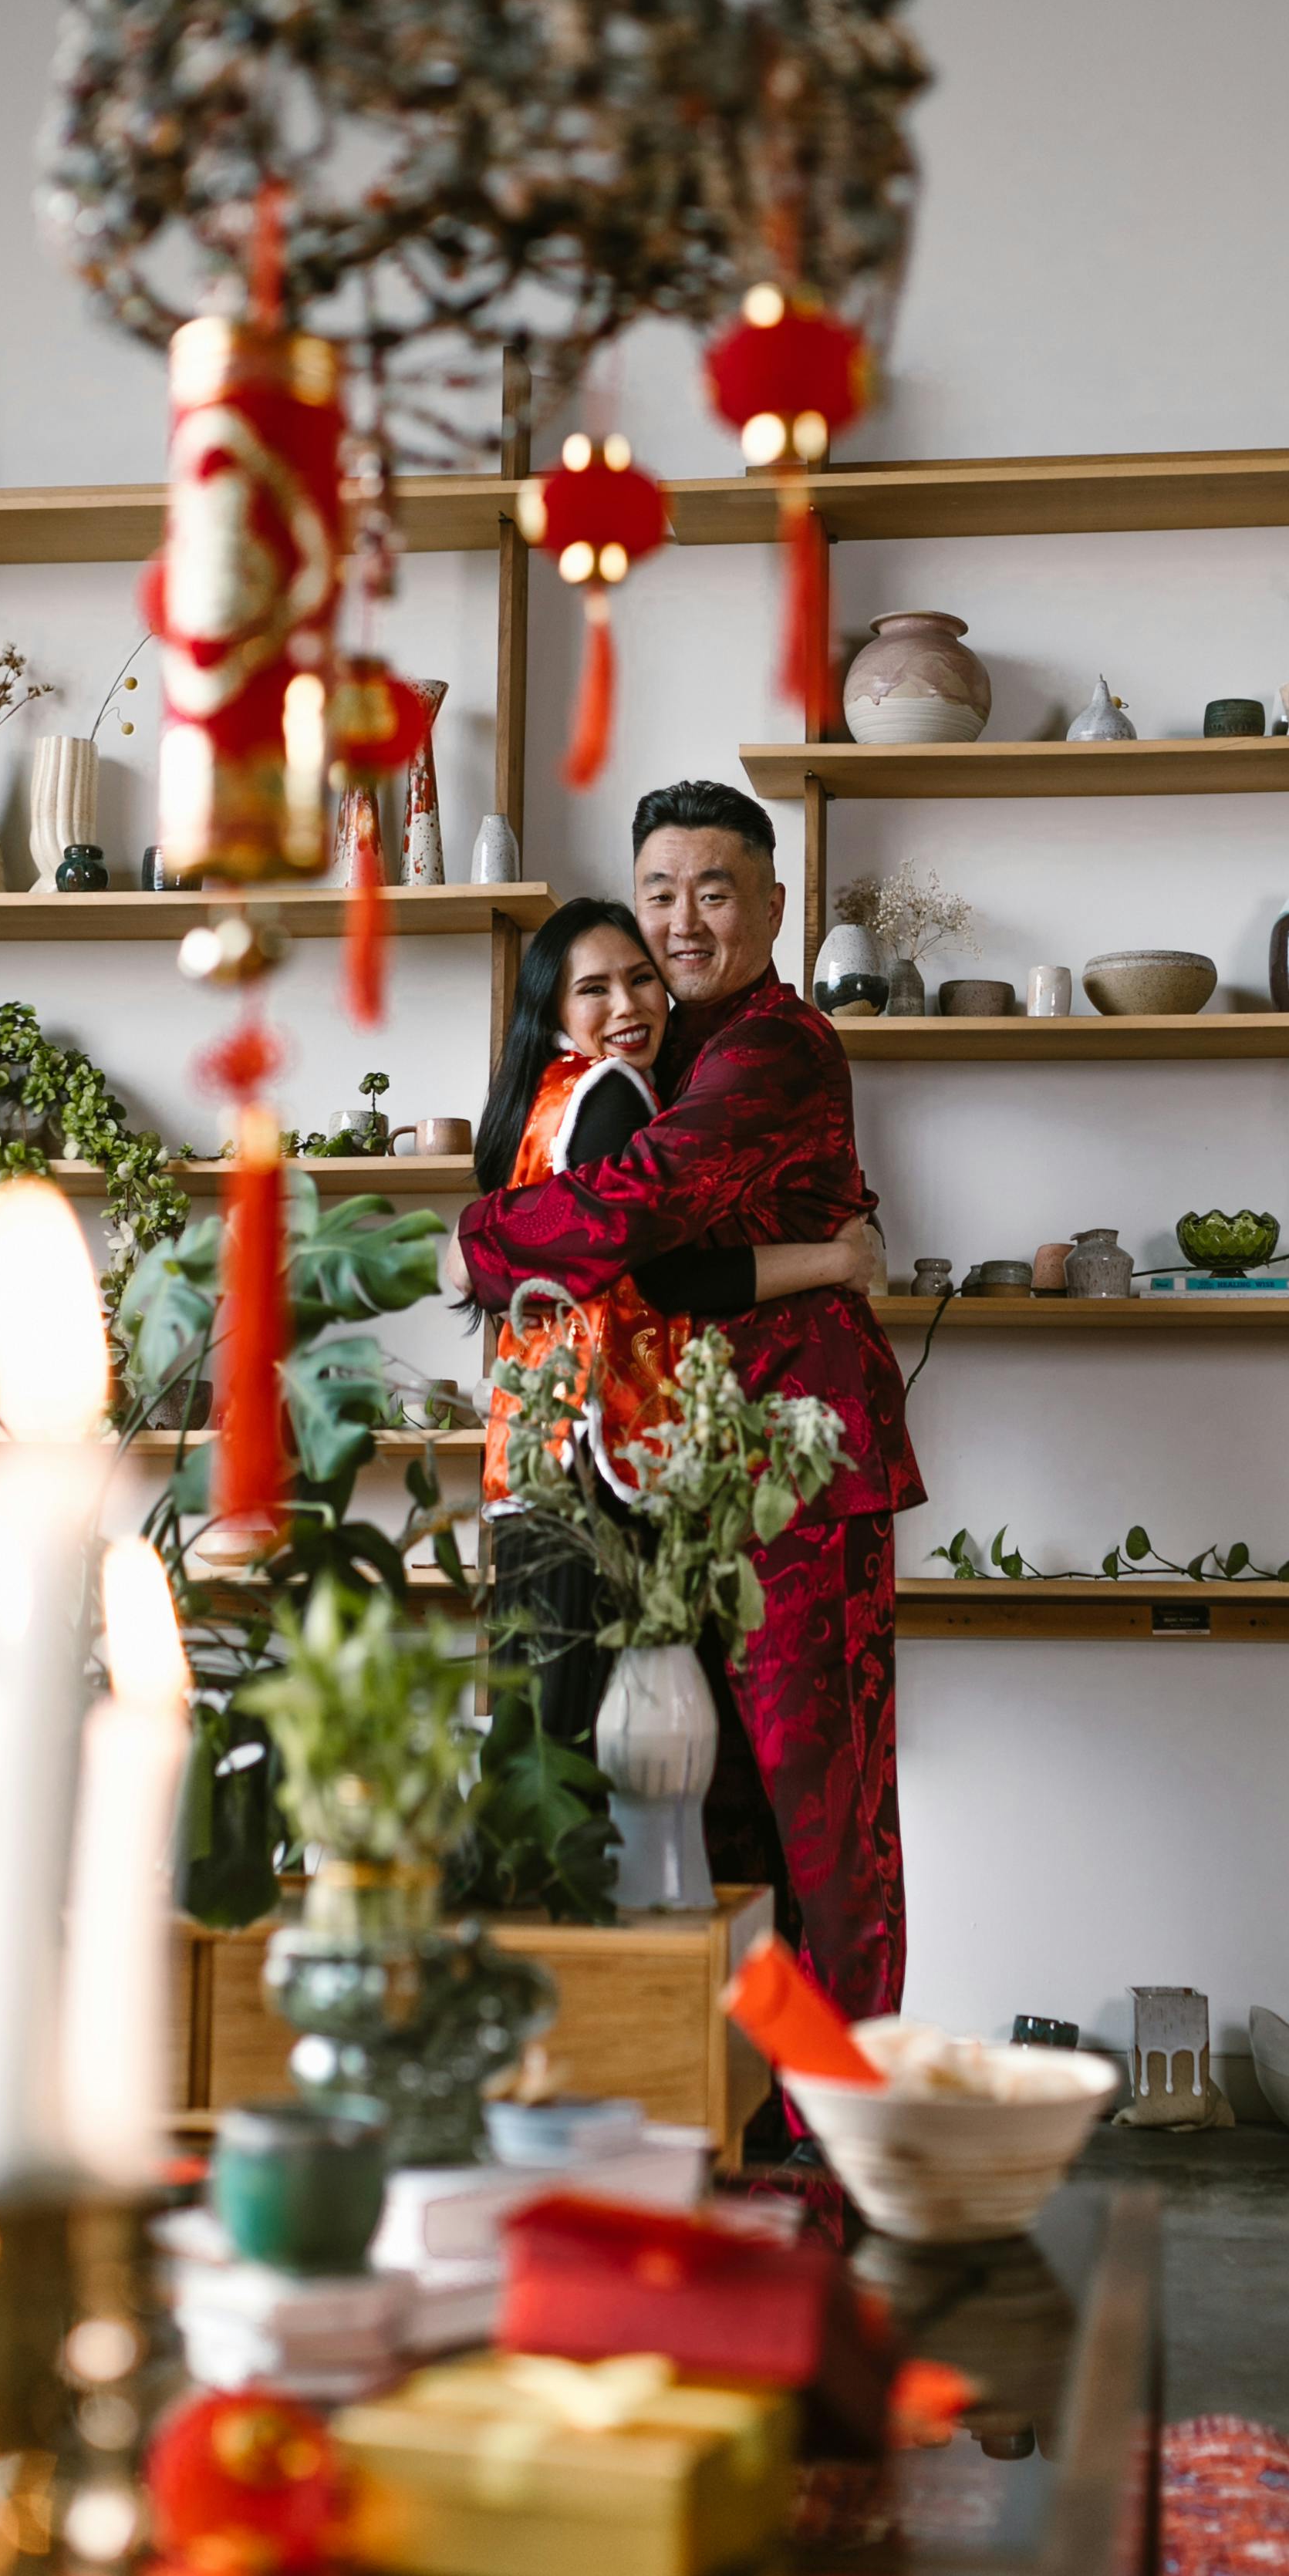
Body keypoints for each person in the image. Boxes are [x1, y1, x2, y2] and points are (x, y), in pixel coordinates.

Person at [448, 783, 924, 2025]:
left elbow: (639, 1210)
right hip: (692, 1469)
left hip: (802, 1463)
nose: (683, 922)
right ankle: (747, 2100)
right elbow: (655, 1268)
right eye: (660, 892)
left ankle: (835, 2124)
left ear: (771, 904)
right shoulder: (652, 1052)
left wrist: (473, 1238)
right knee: (708, 1801)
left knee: (820, 1803)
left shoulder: (775, 1046)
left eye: (716, 892)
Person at [472, 893, 876, 1746]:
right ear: (552, 1010)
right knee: (588, 1756)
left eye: (641, 979)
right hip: (594, 1470)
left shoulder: (543, 1098)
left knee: (536, 1745)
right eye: (594, 990)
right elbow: (670, 1273)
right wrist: (838, 1260)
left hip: (531, 1465)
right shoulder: (612, 1094)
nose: (626, 1008)